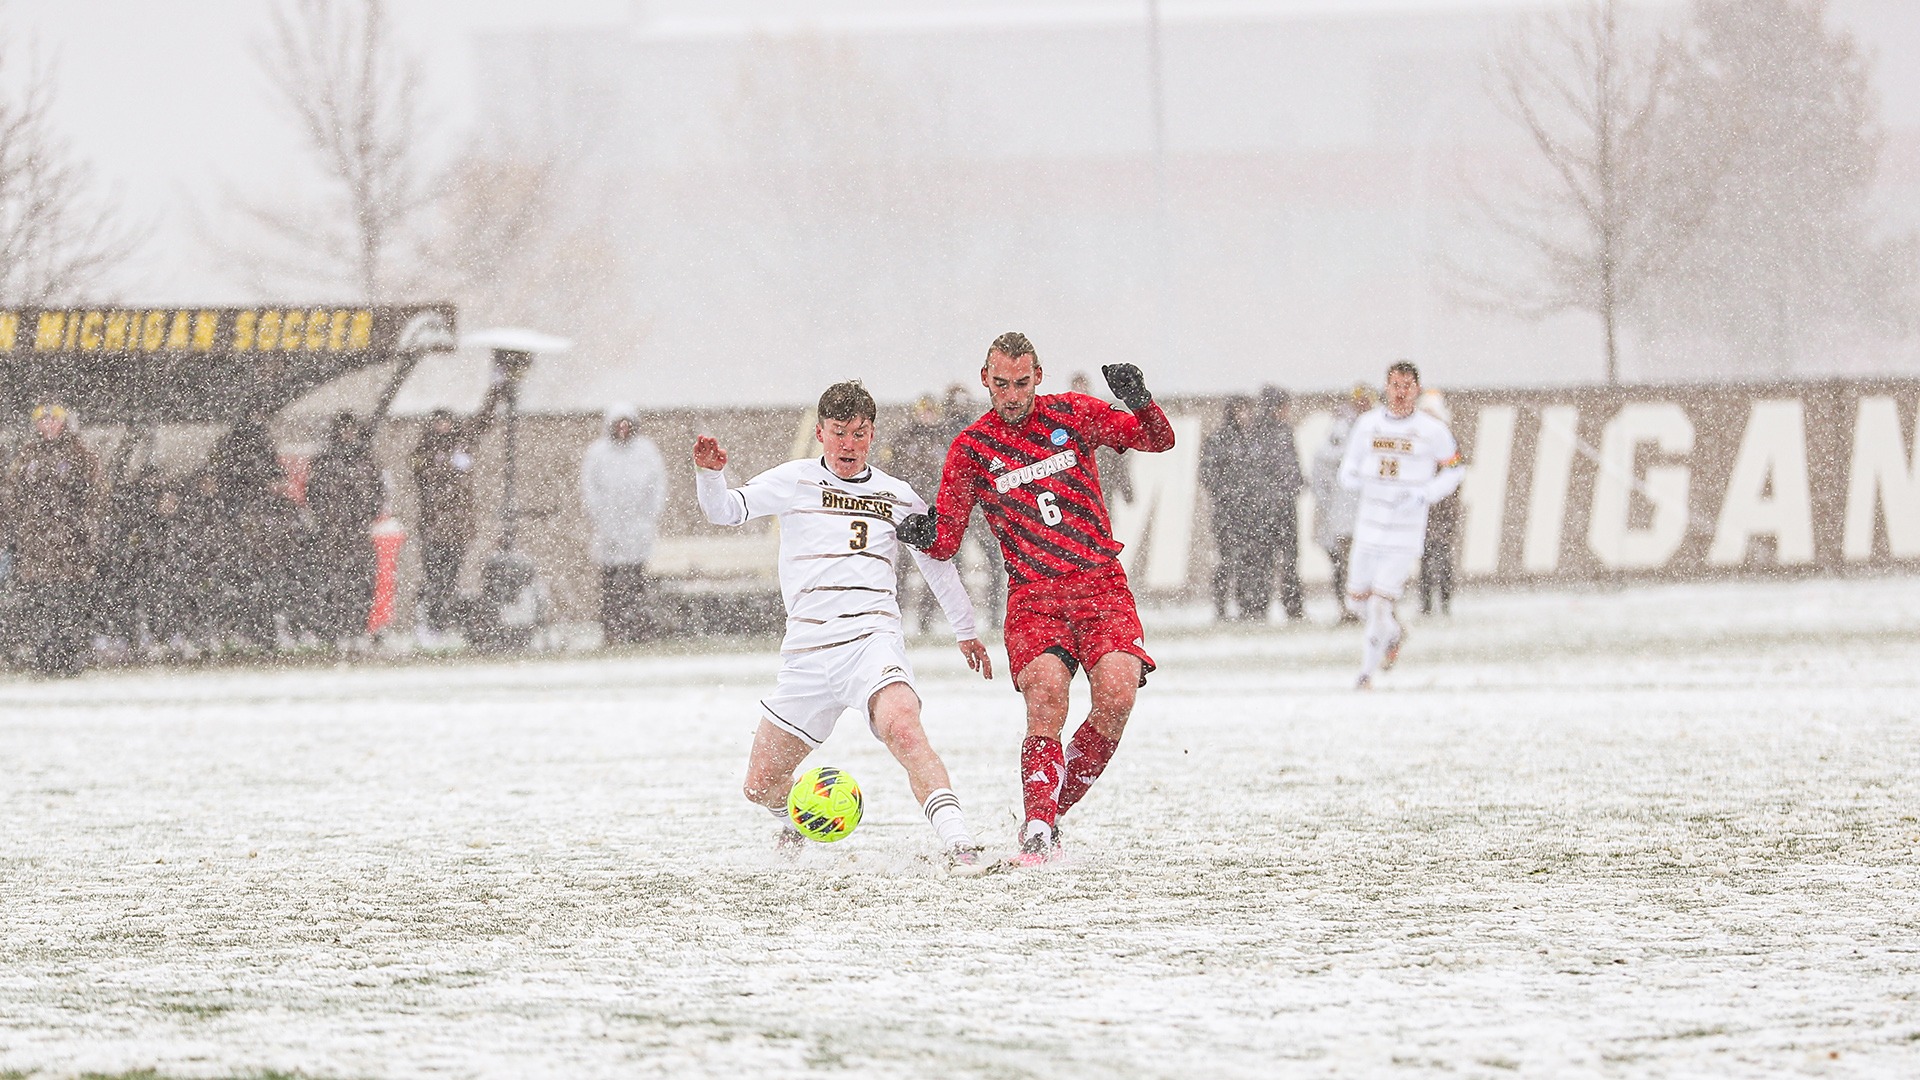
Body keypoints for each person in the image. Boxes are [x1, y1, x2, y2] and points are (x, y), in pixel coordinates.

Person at [693, 380, 994, 871]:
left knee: (903, 726)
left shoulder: (897, 495)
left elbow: (935, 561)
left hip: (871, 641)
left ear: (872, 433)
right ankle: (800, 819)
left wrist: (965, 629)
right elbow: (724, 511)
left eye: (858, 433)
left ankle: (960, 844)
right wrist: (710, 475)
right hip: (808, 654)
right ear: (820, 433)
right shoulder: (794, 479)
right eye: (838, 432)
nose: (848, 445)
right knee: (760, 785)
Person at [901, 332, 1176, 864]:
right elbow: (947, 540)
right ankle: (1038, 830)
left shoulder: (1073, 413)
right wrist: (920, 532)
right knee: (1047, 698)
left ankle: (1047, 813)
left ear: (1038, 377)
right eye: (1001, 384)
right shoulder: (971, 449)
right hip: (1034, 597)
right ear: (985, 380)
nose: (1012, 395)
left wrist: (1140, 400)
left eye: (1022, 383)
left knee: (1117, 697)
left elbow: (1158, 439)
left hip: (1100, 584)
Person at [1337, 361, 1465, 689]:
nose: (1400, 393)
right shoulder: (1367, 425)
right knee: (1357, 603)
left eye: (1407, 386)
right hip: (1369, 526)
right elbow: (1349, 464)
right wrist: (1351, 477)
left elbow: (1455, 469)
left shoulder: (1431, 430)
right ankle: (1393, 634)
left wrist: (1425, 493)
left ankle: (1365, 674)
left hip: (1404, 530)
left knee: (1380, 603)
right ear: (1387, 387)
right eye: (1395, 385)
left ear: (1416, 390)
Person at [2, 404, 102, 675]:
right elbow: (11, 494)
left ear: (63, 423)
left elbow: (95, 493)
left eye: (53, 420)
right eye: (42, 421)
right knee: (39, 605)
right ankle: (44, 657)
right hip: (36, 549)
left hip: (69, 548)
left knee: (68, 605)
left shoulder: (79, 453)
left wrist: (81, 525)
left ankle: (70, 657)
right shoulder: (26, 455)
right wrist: (24, 525)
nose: (47, 425)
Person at [409, 382, 510, 640]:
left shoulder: (461, 443)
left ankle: (443, 623)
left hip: (457, 528)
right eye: (439, 422)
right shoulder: (424, 450)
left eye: (446, 422)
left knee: (450, 579)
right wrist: (448, 466)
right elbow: (422, 474)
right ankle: (432, 624)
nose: (443, 427)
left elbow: (483, 422)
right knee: (435, 578)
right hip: (434, 528)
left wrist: (496, 391)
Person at [580, 404, 667, 646]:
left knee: (636, 582)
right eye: (619, 425)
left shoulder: (646, 452)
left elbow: (657, 487)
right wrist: (603, 519)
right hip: (608, 530)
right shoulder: (598, 454)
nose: (623, 430)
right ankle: (612, 630)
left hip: (638, 529)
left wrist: (647, 518)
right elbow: (590, 489)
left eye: (627, 425)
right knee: (610, 583)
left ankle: (638, 629)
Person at [305, 411, 385, 646]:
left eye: (352, 429)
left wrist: (366, 514)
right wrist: (329, 517)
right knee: (335, 583)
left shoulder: (365, 460)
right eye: (344, 429)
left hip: (358, 531)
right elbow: (313, 494)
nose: (349, 434)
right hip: (333, 532)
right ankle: (335, 630)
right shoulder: (325, 461)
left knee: (361, 582)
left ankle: (358, 629)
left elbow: (378, 492)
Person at [881, 395, 948, 635]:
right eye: (923, 411)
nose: (927, 416)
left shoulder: (943, 438)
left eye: (931, 412)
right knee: (901, 567)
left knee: (935, 567)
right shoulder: (904, 438)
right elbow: (891, 470)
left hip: (933, 511)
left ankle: (926, 619)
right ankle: (894, 616)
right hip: (906, 512)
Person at [1310, 384, 1377, 622]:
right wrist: (1327, 498)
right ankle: (1348, 609)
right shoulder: (1341, 429)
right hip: (1345, 509)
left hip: (1370, 509)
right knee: (1345, 562)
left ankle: (1372, 608)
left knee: (1372, 563)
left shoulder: (1378, 427)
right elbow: (1322, 461)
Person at [1199, 396, 1261, 620]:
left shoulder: (1253, 440)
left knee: (1249, 560)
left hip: (1250, 512)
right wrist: (1229, 492)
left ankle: (1247, 605)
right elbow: (1206, 474)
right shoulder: (1219, 440)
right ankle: (1221, 606)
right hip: (1227, 511)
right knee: (1226, 560)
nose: (1245, 415)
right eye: (1241, 410)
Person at [1416, 389, 1459, 616]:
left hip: (1441, 508)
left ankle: (1444, 601)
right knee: (1426, 557)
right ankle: (1426, 603)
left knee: (1441, 555)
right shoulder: (1420, 440)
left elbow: (1455, 473)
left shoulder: (1446, 441)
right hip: (1425, 509)